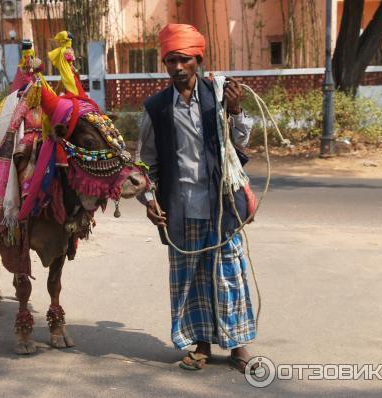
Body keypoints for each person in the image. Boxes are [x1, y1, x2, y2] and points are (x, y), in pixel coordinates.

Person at [136, 23, 257, 373]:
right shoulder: (156, 108)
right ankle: (200, 344)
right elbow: (146, 161)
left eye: (184, 60)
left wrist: (234, 112)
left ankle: (237, 345)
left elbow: (240, 144)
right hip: (181, 206)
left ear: (198, 61)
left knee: (228, 273)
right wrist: (149, 200)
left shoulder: (220, 96)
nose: (177, 67)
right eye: (170, 60)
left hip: (222, 204)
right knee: (191, 278)